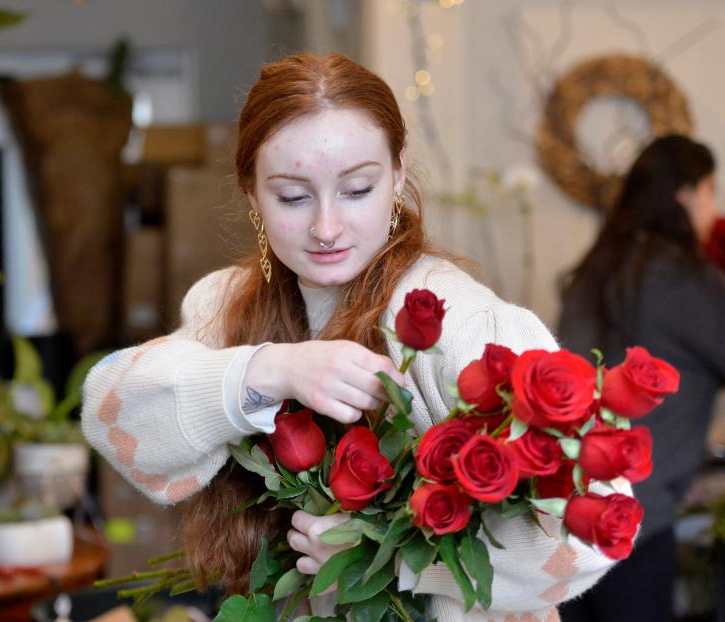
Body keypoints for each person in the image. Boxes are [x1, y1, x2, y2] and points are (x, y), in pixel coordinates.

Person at [84, 52, 621, 621]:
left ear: (397, 173)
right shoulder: (227, 304)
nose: (326, 228)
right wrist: (266, 371)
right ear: (251, 194)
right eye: (292, 196)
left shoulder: (460, 322)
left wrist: (390, 557)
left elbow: (595, 525)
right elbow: (111, 415)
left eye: (357, 189)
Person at [558, 134, 725, 622]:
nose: (713, 207)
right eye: (710, 190)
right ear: (686, 194)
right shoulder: (690, 281)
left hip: (564, 508)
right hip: (634, 523)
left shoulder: (594, 271)